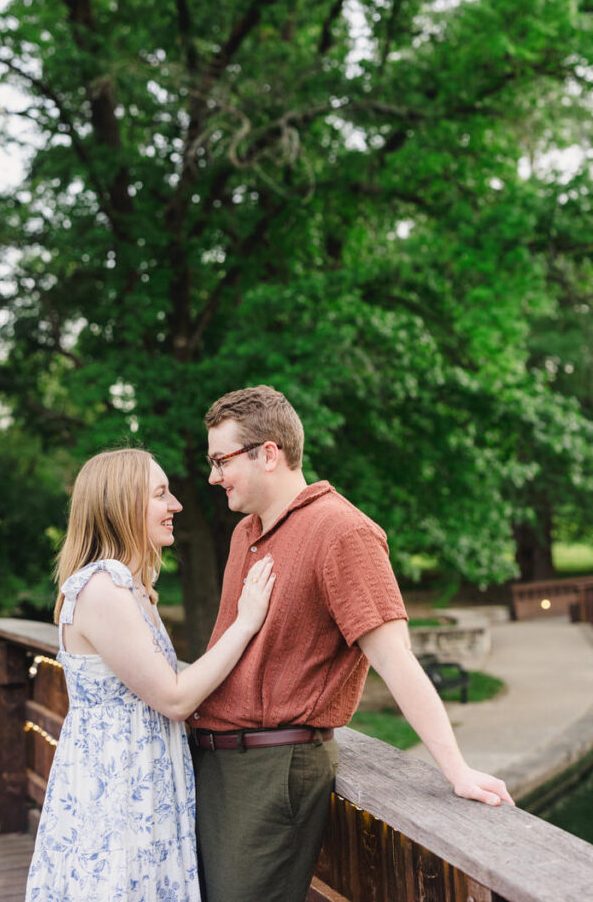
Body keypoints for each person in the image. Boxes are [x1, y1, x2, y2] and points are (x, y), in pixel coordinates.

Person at [189, 385, 514, 902]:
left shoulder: (342, 532)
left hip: (272, 772)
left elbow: (394, 658)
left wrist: (456, 769)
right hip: (213, 764)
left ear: (268, 453)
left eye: (221, 460)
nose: (213, 476)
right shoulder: (243, 533)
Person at [25, 447, 275, 902]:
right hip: (117, 789)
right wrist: (246, 621)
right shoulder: (102, 589)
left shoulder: (131, 588)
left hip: (142, 781)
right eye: (161, 494)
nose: (176, 505)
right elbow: (176, 698)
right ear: (122, 506)